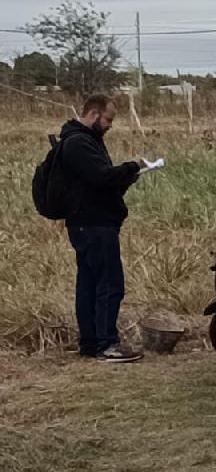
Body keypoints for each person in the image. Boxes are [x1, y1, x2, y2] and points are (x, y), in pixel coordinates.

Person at [60, 93, 147, 363]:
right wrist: (132, 166)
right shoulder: (78, 143)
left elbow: (101, 181)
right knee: (109, 284)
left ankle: (91, 342)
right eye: (108, 119)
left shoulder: (87, 141)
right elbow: (100, 176)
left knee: (89, 283)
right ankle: (107, 343)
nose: (110, 125)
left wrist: (127, 177)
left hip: (90, 223)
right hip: (94, 224)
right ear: (94, 114)